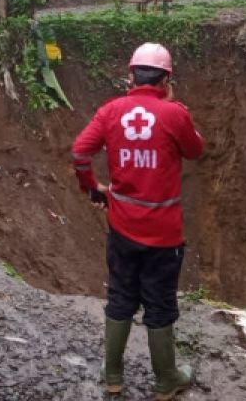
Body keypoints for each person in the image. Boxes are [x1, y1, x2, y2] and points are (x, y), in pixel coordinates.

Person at [71, 43, 204, 399]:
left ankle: (113, 375)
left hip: (122, 228)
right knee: (160, 304)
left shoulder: (111, 111)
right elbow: (196, 150)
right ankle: (166, 381)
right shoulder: (174, 114)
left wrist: (93, 189)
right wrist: (174, 106)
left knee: (120, 295)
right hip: (163, 235)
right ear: (166, 78)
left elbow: (80, 152)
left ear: (131, 75)